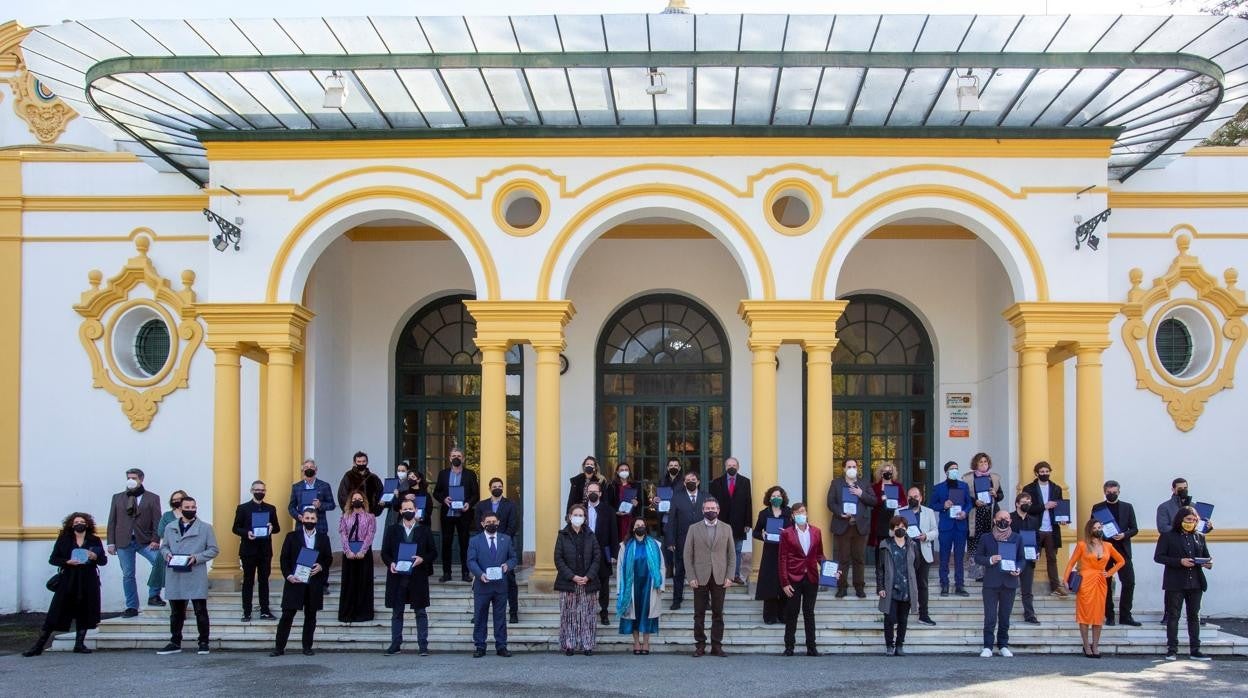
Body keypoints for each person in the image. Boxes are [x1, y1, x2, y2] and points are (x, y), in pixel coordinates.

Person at [23, 512, 107, 657]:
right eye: (76, 522)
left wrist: (95, 556)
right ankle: (38, 646)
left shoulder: (94, 540)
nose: (79, 524)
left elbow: (103, 561)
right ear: (71, 525)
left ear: (87, 524)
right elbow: (53, 559)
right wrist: (67, 562)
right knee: (56, 611)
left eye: (82, 522)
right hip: (68, 578)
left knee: (84, 611)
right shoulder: (64, 539)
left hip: (88, 579)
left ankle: (79, 644)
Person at [157, 496, 219, 656]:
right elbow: (164, 547)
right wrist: (167, 554)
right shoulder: (170, 527)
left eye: (193, 507)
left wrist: (196, 558)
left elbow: (213, 549)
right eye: (187, 507)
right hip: (175, 573)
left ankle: (203, 642)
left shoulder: (205, 528)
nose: (191, 510)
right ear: (180, 508)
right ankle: (175, 641)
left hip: (194, 573)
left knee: (200, 610)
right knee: (176, 612)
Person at [1155, 505, 1214, 661]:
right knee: (1173, 616)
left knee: (1194, 616)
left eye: (1194, 520)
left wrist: (1208, 563)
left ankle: (1195, 650)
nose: (1191, 522)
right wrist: (1179, 561)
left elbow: (1206, 556)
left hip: (1195, 582)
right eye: (1188, 519)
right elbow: (1159, 557)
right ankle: (1172, 649)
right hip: (1175, 582)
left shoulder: (1199, 536)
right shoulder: (1168, 536)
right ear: (1180, 519)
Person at [272, 508, 333, 657]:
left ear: (316, 520)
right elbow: (284, 558)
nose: (309, 521)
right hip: (295, 581)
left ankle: (307, 647)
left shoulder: (323, 538)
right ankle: (279, 648)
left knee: (311, 616)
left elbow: (328, 558)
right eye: (307, 518)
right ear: (302, 519)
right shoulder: (292, 537)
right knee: (287, 615)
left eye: (312, 518)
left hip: (314, 582)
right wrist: (288, 575)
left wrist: (321, 566)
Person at [381, 497, 437, 656]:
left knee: (420, 612)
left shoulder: (424, 530)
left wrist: (422, 559)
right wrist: (390, 563)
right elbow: (385, 552)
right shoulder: (392, 530)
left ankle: (423, 645)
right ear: (400, 511)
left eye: (410, 509)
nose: (408, 511)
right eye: (405, 509)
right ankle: (395, 644)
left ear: (416, 510)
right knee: (397, 612)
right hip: (397, 577)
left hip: (418, 577)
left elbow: (433, 552)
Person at [1063, 517, 1126, 658]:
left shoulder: (1108, 546)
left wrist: (1109, 573)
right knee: (1084, 615)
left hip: (1100, 581)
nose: (1097, 530)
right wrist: (1065, 579)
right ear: (1089, 530)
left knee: (1098, 615)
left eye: (1099, 527)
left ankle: (1095, 645)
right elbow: (1071, 562)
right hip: (1085, 582)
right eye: (1095, 528)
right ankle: (1086, 645)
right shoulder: (1082, 545)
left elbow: (1121, 561)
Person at [106, 467, 163, 617]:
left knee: (159, 563)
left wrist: (155, 539)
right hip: (124, 541)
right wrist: (111, 542)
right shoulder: (118, 497)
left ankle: (154, 595)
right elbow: (112, 520)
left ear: (141, 479)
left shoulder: (152, 498)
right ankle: (131, 606)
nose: (131, 480)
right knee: (128, 574)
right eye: (129, 478)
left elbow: (157, 520)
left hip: (145, 540)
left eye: (134, 478)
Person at [684, 497, 735, 658]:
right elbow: (687, 554)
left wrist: (730, 576)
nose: (710, 511)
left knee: (718, 613)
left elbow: (731, 554)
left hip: (720, 576)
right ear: (702, 510)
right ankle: (700, 645)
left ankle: (716, 646)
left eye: (713, 508)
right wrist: (691, 576)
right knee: (699, 614)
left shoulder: (727, 528)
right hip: (699, 577)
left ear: (718, 510)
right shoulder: (693, 528)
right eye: (707, 508)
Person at [778, 502, 828, 657]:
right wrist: (784, 582)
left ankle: (811, 647)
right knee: (792, 612)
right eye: (798, 512)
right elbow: (782, 559)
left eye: (804, 512)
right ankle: (789, 647)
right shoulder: (787, 533)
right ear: (793, 516)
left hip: (811, 577)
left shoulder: (816, 532)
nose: (801, 515)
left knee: (809, 612)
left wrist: (831, 571)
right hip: (793, 577)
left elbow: (820, 555)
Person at [973, 510, 1024, 658]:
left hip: (1010, 582)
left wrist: (1018, 569)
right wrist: (990, 559)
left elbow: (1022, 558)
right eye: (1001, 518)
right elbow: (977, 557)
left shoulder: (1017, 538)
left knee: (1005, 616)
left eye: (1007, 518)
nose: (1004, 520)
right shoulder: (986, 538)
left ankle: (1003, 645)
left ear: (1010, 521)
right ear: (995, 520)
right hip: (991, 583)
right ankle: (987, 646)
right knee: (990, 617)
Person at [554, 503, 602, 656]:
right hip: (568, 582)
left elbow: (597, 557)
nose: (578, 518)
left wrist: (588, 576)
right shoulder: (562, 535)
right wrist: (572, 576)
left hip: (588, 582)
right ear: (569, 517)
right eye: (575, 515)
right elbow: (558, 559)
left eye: (581, 515)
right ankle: (569, 644)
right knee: (569, 615)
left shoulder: (590, 535)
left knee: (588, 615)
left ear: (585, 518)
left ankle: (587, 644)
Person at [468, 511, 517, 658]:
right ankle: (480, 646)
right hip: (482, 585)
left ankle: (501, 646)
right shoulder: (475, 541)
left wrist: (507, 566)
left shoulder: (506, 539)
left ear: (498, 523)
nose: (491, 524)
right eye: (488, 522)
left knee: (500, 617)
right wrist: (479, 574)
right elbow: (471, 561)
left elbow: (513, 558)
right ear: (482, 524)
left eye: (494, 522)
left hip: (500, 586)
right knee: (480, 616)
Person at [826, 458, 877, 598]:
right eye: (849, 466)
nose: (852, 469)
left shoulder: (864, 483)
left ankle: (859, 586)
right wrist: (840, 513)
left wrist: (861, 494)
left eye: (854, 466)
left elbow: (874, 501)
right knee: (843, 558)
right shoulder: (836, 483)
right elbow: (830, 502)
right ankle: (842, 587)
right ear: (844, 469)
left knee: (859, 558)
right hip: (843, 525)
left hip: (860, 526)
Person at [1095, 480, 1141, 626]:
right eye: (1109, 492)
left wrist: (1124, 535)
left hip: (1122, 549)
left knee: (1129, 582)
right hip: (1105, 549)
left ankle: (1126, 615)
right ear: (1104, 492)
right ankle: (1109, 615)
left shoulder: (1127, 507)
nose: (1112, 494)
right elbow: (1092, 528)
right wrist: (1100, 532)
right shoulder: (1098, 508)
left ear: (1119, 492)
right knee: (1106, 582)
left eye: (1114, 492)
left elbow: (1134, 528)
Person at [232, 481, 279, 622]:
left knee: (264, 581)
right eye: (257, 489)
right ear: (252, 490)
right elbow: (235, 528)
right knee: (248, 581)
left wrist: (271, 527)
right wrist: (247, 533)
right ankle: (246, 611)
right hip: (248, 550)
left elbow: (277, 528)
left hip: (265, 551)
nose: (260, 492)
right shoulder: (243, 508)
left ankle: (265, 610)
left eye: (263, 490)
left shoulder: (271, 508)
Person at [876, 515, 920, 657]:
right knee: (889, 618)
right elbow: (880, 568)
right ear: (892, 529)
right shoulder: (885, 545)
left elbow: (917, 565)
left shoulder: (912, 545)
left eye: (902, 527)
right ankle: (889, 645)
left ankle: (900, 645)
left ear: (906, 528)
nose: (900, 529)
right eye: (897, 527)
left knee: (903, 619)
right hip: (890, 587)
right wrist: (880, 587)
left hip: (907, 587)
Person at [618, 520, 664, 655]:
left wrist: (660, 585)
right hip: (632, 585)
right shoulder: (625, 546)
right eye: (637, 525)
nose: (640, 527)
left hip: (649, 585)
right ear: (633, 528)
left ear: (646, 528)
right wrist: (620, 589)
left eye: (642, 525)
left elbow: (661, 566)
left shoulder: (655, 544)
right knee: (635, 614)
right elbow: (620, 568)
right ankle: (637, 642)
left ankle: (646, 643)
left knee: (647, 614)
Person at [433, 447, 479, 582]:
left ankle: (465, 573)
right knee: (446, 544)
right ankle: (446, 573)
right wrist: (444, 499)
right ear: (449, 458)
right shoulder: (443, 474)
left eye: (459, 456)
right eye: (453, 456)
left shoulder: (470, 474)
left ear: (463, 459)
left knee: (464, 544)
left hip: (464, 514)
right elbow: (436, 492)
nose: (456, 458)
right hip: (447, 514)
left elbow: (476, 494)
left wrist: (469, 504)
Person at [1021, 461, 1067, 596]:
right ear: (1037, 473)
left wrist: (1062, 518)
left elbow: (1060, 506)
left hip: (1052, 529)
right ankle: (1025, 586)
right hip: (1035, 528)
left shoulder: (1056, 488)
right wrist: (1044, 506)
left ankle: (1055, 587)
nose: (1045, 474)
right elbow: (1026, 508)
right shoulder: (1029, 489)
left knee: (1052, 559)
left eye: (1047, 472)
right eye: (1042, 472)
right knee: (1030, 558)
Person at [478, 477, 520, 623]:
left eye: (500, 486)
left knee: (510, 580)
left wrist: (502, 540)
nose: (498, 488)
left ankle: (513, 612)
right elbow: (478, 524)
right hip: (486, 547)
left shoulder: (511, 504)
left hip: (504, 546)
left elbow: (513, 524)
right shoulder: (482, 505)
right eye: (495, 486)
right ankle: (478, 613)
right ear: (490, 488)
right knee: (482, 579)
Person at [664, 469, 705, 611]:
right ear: (684, 483)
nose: (690, 482)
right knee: (679, 572)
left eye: (693, 480)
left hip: (702, 541)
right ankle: (677, 600)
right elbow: (671, 521)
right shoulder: (677, 497)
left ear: (698, 482)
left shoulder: (706, 497)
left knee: (702, 572)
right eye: (687, 480)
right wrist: (670, 541)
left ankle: (704, 600)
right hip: (682, 541)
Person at [709, 457, 753, 584]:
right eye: (729, 465)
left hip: (739, 523)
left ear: (738, 467)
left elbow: (748, 502)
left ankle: (735, 575)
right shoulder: (716, 482)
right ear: (725, 467)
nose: (731, 467)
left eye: (734, 465)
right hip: (721, 522)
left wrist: (748, 523)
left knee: (737, 550)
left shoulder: (745, 482)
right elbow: (712, 503)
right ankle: (721, 575)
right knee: (721, 550)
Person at [752, 486, 793, 624]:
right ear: (769, 498)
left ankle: (783, 615)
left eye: (779, 496)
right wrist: (762, 535)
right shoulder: (764, 513)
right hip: (770, 553)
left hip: (786, 552)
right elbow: (756, 532)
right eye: (774, 496)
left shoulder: (789, 512)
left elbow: (795, 531)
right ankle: (770, 616)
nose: (776, 498)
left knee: (784, 581)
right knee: (770, 583)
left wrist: (787, 534)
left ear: (783, 498)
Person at [929, 461, 969, 596]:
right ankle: (944, 584)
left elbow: (969, 503)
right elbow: (932, 505)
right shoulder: (939, 488)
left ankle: (960, 585)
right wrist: (944, 506)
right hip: (946, 527)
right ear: (946, 472)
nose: (955, 471)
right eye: (952, 469)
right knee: (944, 557)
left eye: (956, 468)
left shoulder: (963, 486)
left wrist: (965, 512)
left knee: (959, 557)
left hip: (960, 526)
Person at [964, 452, 1004, 583]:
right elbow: (965, 497)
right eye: (980, 462)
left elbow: (1001, 495)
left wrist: (995, 494)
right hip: (975, 515)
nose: (983, 464)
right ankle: (976, 573)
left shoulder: (994, 478)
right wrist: (974, 501)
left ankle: (989, 572)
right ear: (975, 464)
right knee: (975, 542)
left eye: (985, 462)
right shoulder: (968, 478)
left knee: (990, 542)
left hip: (990, 514)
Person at [338, 489, 376, 623]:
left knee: (363, 582)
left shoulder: (370, 517)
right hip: (349, 553)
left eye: (359, 499)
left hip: (364, 553)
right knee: (349, 583)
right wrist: (347, 551)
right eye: (354, 499)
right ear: (351, 501)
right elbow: (343, 534)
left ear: (364, 501)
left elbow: (370, 534)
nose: (357, 501)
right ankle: (348, 613)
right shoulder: (345, 516)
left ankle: (363, 613)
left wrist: (363, 551)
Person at [584, 481, 619, 624]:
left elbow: (614, 533)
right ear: (586, 493)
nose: (592, 493)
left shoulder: (608, 510)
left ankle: (604, 612)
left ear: (600, 493)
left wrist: (614, 554)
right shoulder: (580, 510)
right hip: (584, 554)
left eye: (595, 491)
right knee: (586, 583)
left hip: (603, 553)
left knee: (604, 584)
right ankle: (588, 613)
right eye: (590, 491)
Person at [146, 490, 186, 611]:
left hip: (184, 550)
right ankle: (154, 595)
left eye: (179, 499)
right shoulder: (167, 515)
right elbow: (161, 531)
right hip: (168, 549)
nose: (176, 501)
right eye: (174, 500)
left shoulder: (189, 514)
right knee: (159, 571)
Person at [905, 486, 939, 625]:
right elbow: (891, 532)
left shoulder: (929, 512)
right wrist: (901, 532)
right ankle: (902, 614)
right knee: (905, 583)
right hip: (906, 553)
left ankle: (923, 615)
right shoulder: (900, 511)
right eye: (910, 497)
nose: (913, 499)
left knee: (922, 584)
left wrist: (926, 536)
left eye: (916, 496)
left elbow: (935, 531)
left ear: (921, 498)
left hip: (923, 551)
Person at [1009, 491, 1041, 625]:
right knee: (1008, 588)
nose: (1027, 504)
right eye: (1024, 502)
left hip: (1028, 559)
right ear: (1017, 504)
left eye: (1029, 502)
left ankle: (1029, 614)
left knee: (1027, 589)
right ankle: (1004, 613)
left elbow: (1037, 539)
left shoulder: (1034, 520)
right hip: (1012, 557)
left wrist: (1037, 553)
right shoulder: (1010, 518)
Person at [605, 462, 644, 561]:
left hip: (631, 518)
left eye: (626, 470)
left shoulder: (636, 485)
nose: (624, 472)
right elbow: (608, 504)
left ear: (629, 472)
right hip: (618, 519)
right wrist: (615, 512)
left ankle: (633, 559)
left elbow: (642, 502)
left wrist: (637, 503)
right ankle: (620, 560)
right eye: (622, 470)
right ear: (617, 472)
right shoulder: (612, 486)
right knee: (619, 541)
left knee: (632, 539)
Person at [653, 457, 683, 578]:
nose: (673, 467)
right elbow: (657, 499)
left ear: (679, 468)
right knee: (667, 544)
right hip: (666, 518)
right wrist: (656, 500)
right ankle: (669, 569)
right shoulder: (662, 481)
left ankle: (680, 570)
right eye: (671, 465)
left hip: (680, 517)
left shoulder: (683, 482)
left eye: (676, 465)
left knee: (680, 545)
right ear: (667, 467)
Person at [288, 459, 335, 535]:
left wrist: (320, 505)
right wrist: (298, 516)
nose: (309, 469)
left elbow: (332, 505)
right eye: (306, 467)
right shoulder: (296, 487)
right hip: (301, 526)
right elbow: (291, 507)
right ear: (303, 471)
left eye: (311, 467)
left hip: (319, 526)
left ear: (316, 470)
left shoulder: (324, 486)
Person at [867, 462, 901, 551]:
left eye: (890, 471)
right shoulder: (875, 487)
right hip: (879, 521)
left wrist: (898, 503)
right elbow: (871, 502)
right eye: (885, 471)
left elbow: (904, 501)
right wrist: (881, 498)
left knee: (893, 547)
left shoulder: (898, 486)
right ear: (881, 473)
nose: (887, 473)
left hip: (894, 519)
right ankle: (879, 561)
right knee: (880, 548)